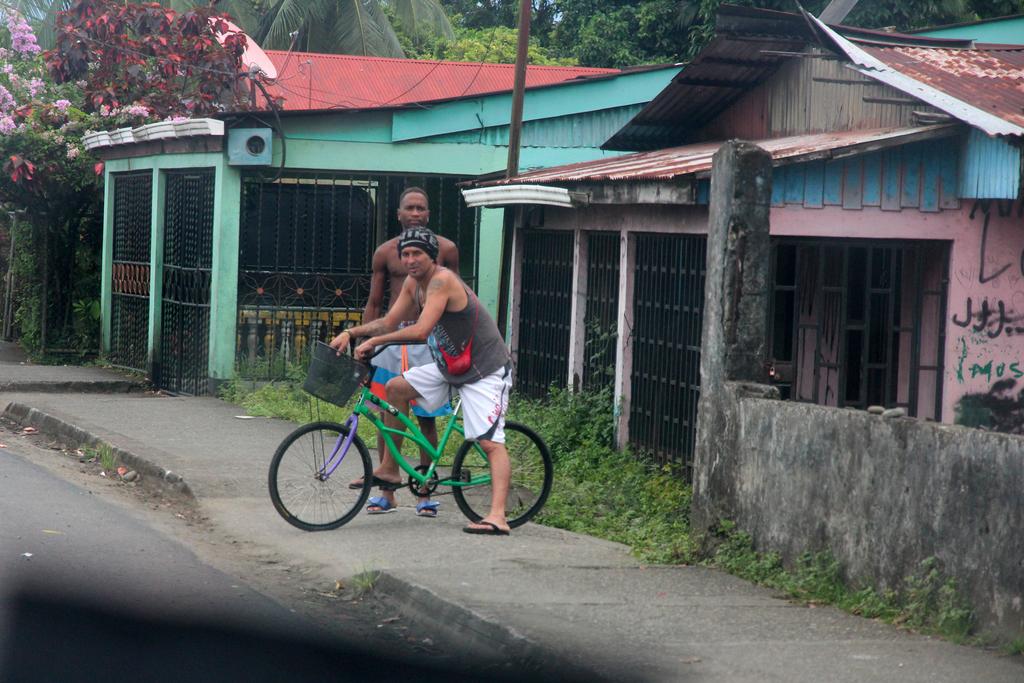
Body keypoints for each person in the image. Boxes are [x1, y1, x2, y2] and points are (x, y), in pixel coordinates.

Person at [330, 227, 513, 535]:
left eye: (418, 254)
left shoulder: (441, 281)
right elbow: (389, 321)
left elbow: (420, 331)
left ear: (432, 257)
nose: (411, 260)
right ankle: (389, 470)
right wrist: (352, 333)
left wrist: (375, 343)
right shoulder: (414, 284)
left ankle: (498, 516)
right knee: (395, 389)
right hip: (450, 366)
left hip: (484, 370)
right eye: (406, 254)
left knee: (489, 443)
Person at [340, 187, 458, 517]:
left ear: (429, 214)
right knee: (386, 414)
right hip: (391, 342)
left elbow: (455, 298)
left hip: (426, 342)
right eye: (410, 208)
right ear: (399, 214)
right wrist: (366, 348)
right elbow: (376, 303)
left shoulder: (446, 249)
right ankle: (387, 492)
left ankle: (425, 491)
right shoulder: (385, 253)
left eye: (422, 208)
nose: (416, 213)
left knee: (426, 417)